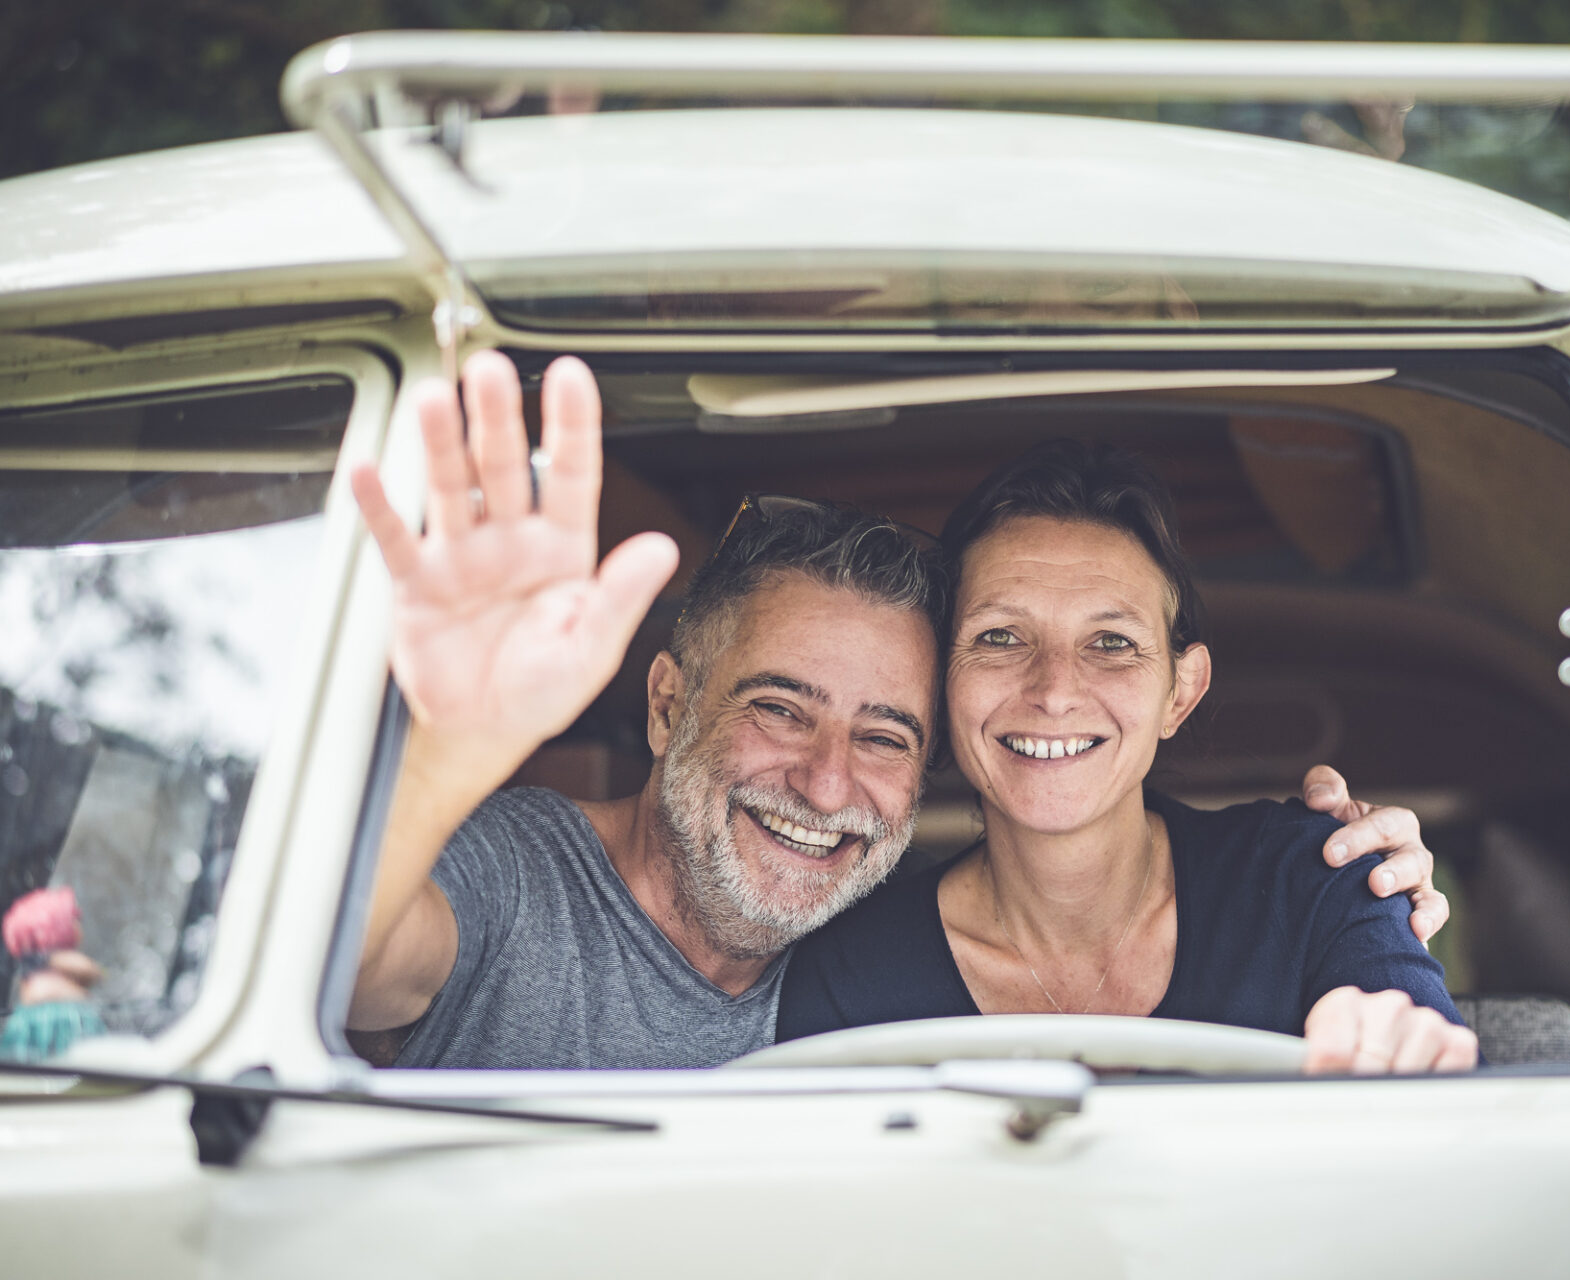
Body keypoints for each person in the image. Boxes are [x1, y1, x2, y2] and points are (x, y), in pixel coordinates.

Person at [347, 351, 1453, 1070]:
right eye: (781, 710)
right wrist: (456, 747)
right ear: (668, 701)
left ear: (1183, 687)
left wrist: (1384, 998)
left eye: (882, 734)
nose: (828, 785)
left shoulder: (826, 937)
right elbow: (351, 965)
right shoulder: (536, 878)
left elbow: (1418, 1052)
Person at [777, 440, 1478, 1073]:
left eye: (1110, 643)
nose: (1054, 691)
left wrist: (1397, 1048)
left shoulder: (1313, 879)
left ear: (1181, 692)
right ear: (941, 684)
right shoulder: (852, 963)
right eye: (1000, 637)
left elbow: (1443, 1113)